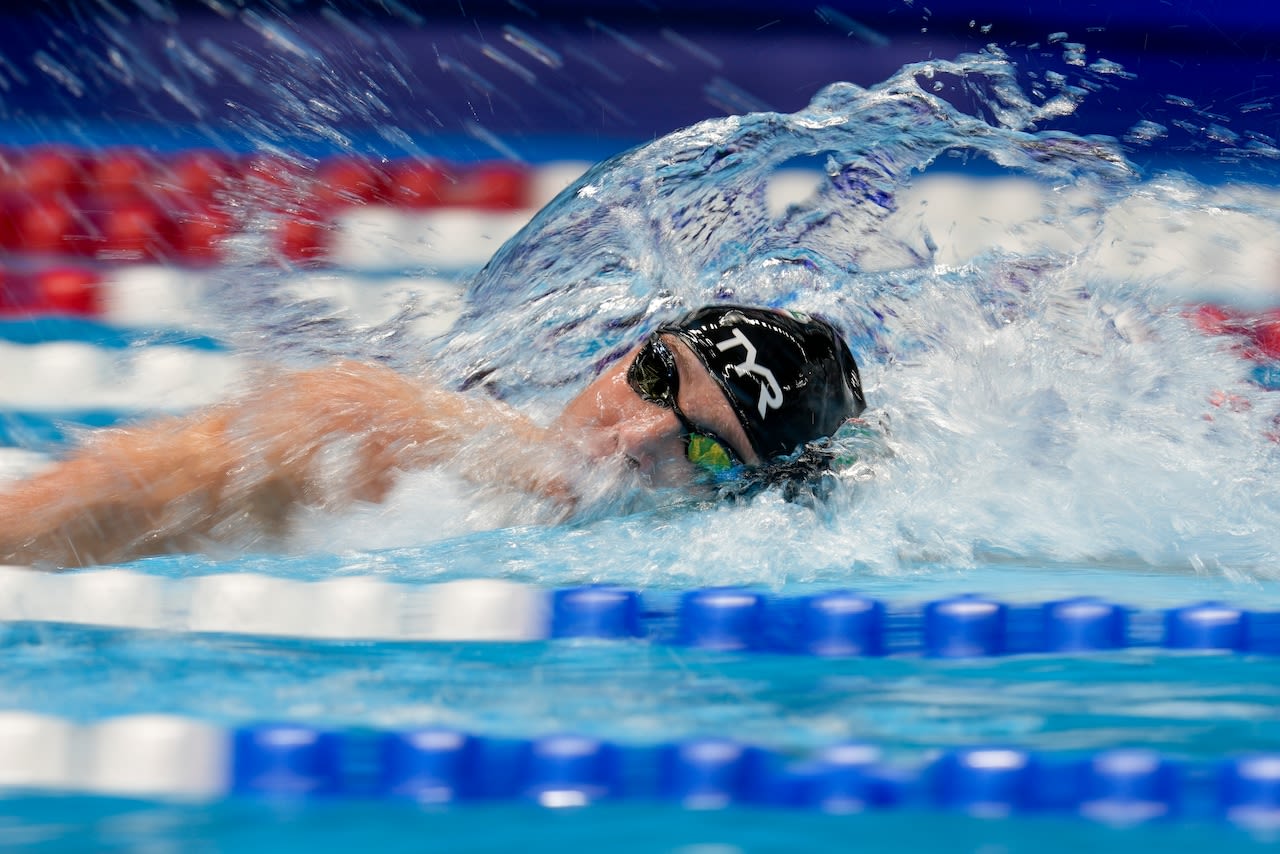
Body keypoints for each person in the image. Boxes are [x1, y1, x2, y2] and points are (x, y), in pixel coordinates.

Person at [0, 304, 866, 568]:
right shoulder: (376, 431)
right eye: (653, 377)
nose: (638, 440)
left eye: (708, 451)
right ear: (622, 349)